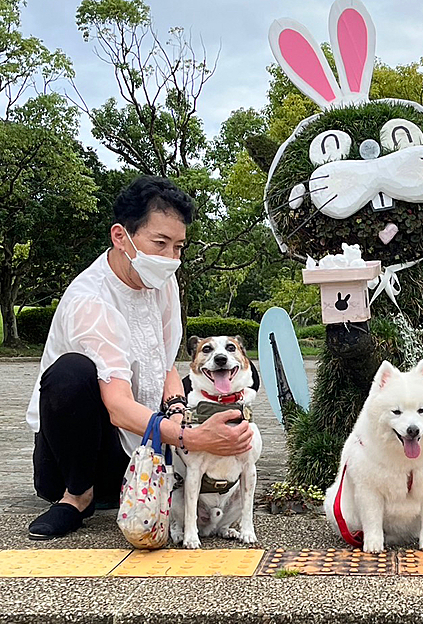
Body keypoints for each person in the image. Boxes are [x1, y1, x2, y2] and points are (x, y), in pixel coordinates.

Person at [25, 175, 254, 540]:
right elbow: (116, 406)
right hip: (80, 453)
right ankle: (76, 498)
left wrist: (180, 411)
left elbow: (165, 366)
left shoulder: (163, 284)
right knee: (71, 373)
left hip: (139, 449)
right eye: (160, 243)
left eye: (178, 247)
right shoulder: (92, 300)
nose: (170, 258)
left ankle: (142, 483)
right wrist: (191, 439)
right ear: (121, 237)